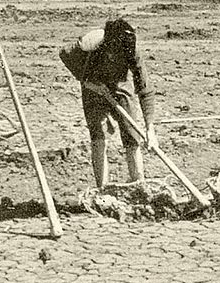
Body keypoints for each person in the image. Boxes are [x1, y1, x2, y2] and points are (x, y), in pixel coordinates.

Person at [59, 18, 157, 188]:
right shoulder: (93, 41)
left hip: (119, 86)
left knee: (131, 132)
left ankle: (138, 184)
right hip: (93, 87)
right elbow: (65, 54)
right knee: (98, 135)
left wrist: (150, 128)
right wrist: (86, 80)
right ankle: (102, 189)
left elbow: (145, 89)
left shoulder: (132, 50)